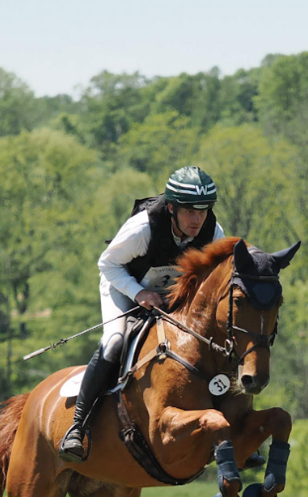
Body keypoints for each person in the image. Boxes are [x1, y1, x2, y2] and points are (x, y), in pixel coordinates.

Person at [58, 166, 225, 462]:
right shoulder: (143, 228)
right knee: (115, 342)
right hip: (123, 285)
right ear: (171, 208)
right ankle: (77, 426)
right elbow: (107, 265)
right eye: (189, 211)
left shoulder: (214, 232)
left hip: (169, 296)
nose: (197, 219)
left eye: (203, 210)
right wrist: (139, 293)